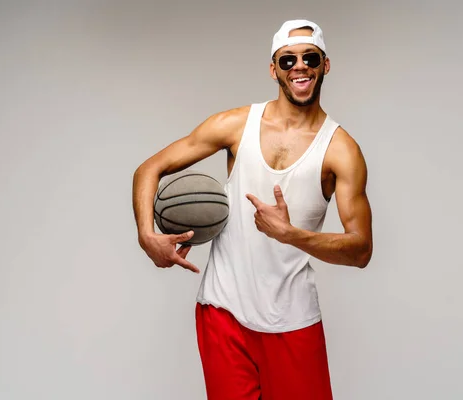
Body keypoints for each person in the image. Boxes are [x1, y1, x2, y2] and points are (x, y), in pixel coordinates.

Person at [132, 19, 373, 400]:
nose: (300, 66)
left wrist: (292, 235)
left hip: (292, 321)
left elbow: (361, 251)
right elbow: (149, 169)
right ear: (273, 68)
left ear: (325, 65)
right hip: (222, 311)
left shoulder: (341, 150)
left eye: (310, 57)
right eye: (287, 59)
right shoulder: (235, 125)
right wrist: (147, 236)